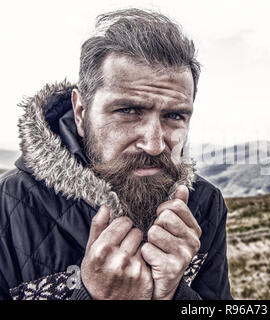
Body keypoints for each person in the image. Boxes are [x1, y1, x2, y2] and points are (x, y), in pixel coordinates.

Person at [0, 8, 232, 300]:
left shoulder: (203, 204)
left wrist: (174, 293)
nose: (154, 144)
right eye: (129, 111)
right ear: (81, 112)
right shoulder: (8, 208)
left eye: (174, 115)